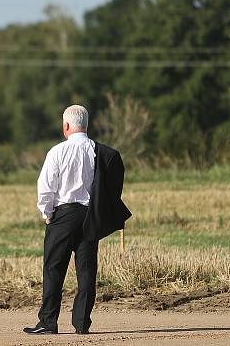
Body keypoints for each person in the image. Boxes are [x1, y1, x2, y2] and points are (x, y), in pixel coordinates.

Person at [23, 104, 132, 335]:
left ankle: (48, 323)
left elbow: (45, 188)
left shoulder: (57, 152)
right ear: (86, 125)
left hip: (62, 216)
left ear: (66, 126)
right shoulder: (98, 151)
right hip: (90, 215)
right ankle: (82, 324)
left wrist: (47, 213)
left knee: (53, 269)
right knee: (86, 272)